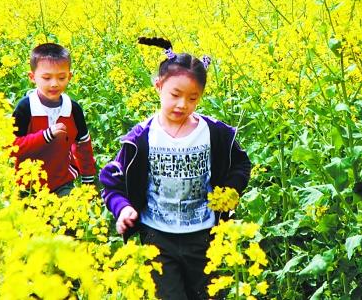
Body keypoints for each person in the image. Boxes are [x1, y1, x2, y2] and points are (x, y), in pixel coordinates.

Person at [100, 36, 251, 300]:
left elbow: (241, 163)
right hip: (158, 238)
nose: (183, 104)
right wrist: (122, 208)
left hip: (205, 235)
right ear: (158, 86)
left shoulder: (214, 132)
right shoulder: (141, 137)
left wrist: (231, 191)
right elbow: (112, 177)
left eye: (193, 98)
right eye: (175, 95)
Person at [12, 43, 96, 197]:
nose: (54, 84)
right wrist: (45, 136)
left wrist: (88, 181)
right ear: (32, 77)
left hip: (61, 183)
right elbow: (11, 148)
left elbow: (83, 145)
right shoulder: (26, 107)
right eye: (46, 78)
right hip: (28, 187)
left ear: (69, 76)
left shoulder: (73, 109)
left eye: (62, 77)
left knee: (69, 219)